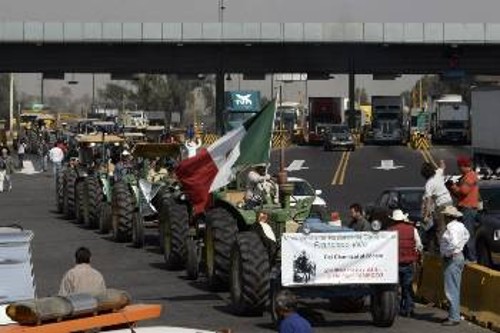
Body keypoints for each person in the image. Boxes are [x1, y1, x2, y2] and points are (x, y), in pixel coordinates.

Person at [388, 209, 423, 317]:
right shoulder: (412, 229)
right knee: (407, 287)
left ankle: (395, 309)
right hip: (409, 263)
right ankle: (408, 308)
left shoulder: (390, 230)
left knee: (394, 288)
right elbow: (419, 245)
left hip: (394, 264)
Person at [439, 206, 470, 326]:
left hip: (452, 258)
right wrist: (458, 247)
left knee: (451, 289)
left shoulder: (451, 228)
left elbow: (454, 243)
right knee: (454, 288)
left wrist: (449, 252)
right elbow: (467, 236)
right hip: (458, 256)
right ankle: (454, 315)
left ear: (448, 217)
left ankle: (453, 317)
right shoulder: (460, 226)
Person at [447, 156, 479, 263]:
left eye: (460, 166)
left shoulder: (470, 176)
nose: (459, 168)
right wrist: (451, 187)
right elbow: (459, 195)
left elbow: (463, 191)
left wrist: (453, 186)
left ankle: (472, 258)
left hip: (468, 209)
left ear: (465, 166)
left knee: (468, 233)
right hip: (464, 207)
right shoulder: (466, 176)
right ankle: (467, 256)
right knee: (463, 233)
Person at [421, 161, 453, 252]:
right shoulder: (438, 174)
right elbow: (443, 166)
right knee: (450, 226)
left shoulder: (429, 184)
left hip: (441, 205)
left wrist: (426, 215)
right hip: (449, 202)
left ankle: (443, 251)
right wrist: (441, 162)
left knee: (441, 229)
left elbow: (428, 201)